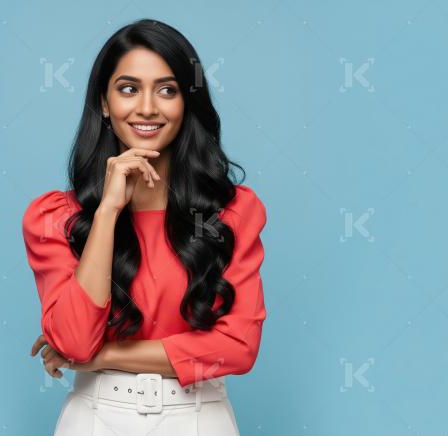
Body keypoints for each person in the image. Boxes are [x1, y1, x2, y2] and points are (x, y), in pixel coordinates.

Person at [21, 18, 267, 435]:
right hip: (95, 418)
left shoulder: (229, 213)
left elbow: (237, 349)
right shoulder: (55, 217)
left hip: (199, 418)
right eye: (129, 88)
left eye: (167, 90)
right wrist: (107, 213)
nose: (148, 107)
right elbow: (75, 340)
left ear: (187, 102)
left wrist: (103, 356)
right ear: (104, 101)